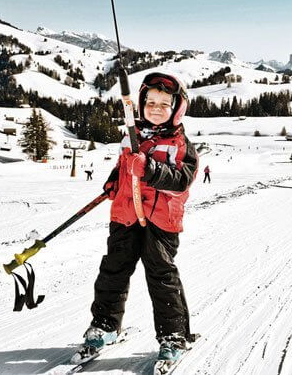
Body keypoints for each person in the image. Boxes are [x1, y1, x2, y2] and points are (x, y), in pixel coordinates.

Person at [85, 72, 198, 364]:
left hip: (161, 220)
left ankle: (174, 335)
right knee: (113, 271)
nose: (156, 108)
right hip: (125, 215)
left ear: (177, 108)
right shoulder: (131, 134)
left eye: (164, 103)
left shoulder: (181, 144)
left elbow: (181, 180)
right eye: (150, 102)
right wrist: (114, 181)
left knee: (161, 276)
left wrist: (148, 169)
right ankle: (106, 326)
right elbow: (125, 165)